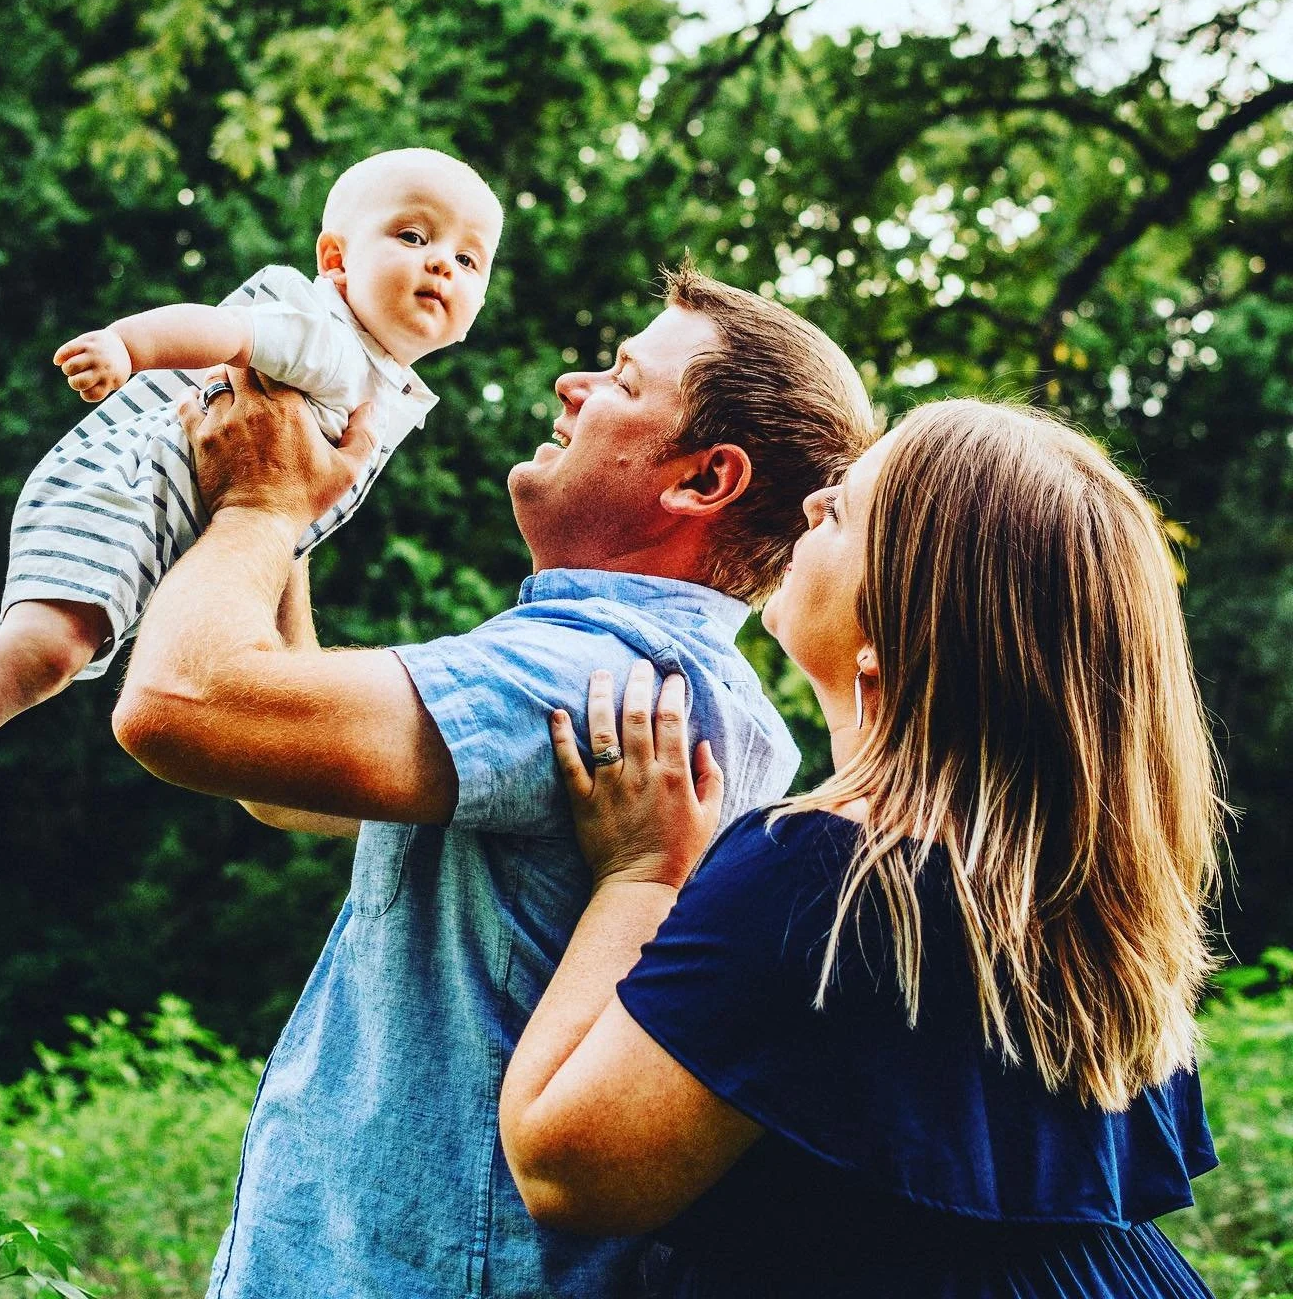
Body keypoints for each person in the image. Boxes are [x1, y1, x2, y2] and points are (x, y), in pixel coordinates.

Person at [109, 260, 879, 1298]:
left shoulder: (599, 676)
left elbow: (182, 707)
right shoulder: (681, 685)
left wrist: (256, 506)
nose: (573, 384)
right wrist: (289, 504)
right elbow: (281, 779)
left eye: (621, 378)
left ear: (704, 480)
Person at [501, 398, 1222, 1299]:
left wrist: (643, 872)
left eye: (842, 508)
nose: (809, 505)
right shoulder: (1084, 897)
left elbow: (566, 1169)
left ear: (895, 636)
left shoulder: (820, 875)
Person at [0, 147, 502, 893]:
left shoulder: (381, 384)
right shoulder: (329, 343)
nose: (442, 266)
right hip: (123, 492)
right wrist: (129, 347)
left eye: (469, 258)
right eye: (414, 238)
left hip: (147, 520)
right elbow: (224, 332)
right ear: (338, 259)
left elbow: (288, 509)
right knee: (52, 649)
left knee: (33, 649)